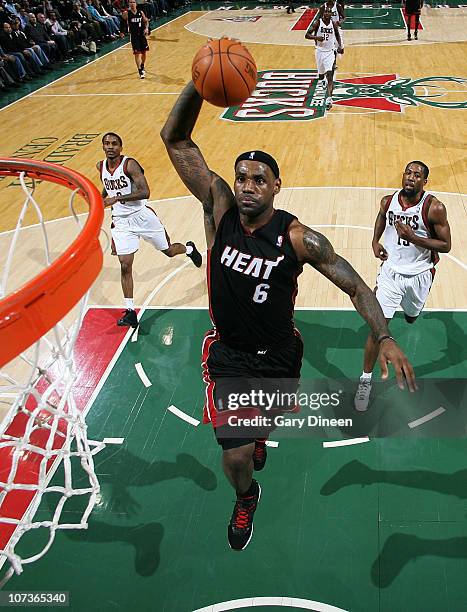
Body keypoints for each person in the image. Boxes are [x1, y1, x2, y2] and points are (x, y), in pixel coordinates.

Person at [160, 78, 416, 551]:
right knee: (236, 455)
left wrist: (383, 336)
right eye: (242, 177)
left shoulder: (299, 239)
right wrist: (199, 85)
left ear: (277, 186)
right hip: (231, 357)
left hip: (280, 354)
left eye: (259, 179)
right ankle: (246, 495)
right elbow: (176, 140)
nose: (247, 186)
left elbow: (356, 284)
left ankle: (259, 430)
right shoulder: (218, 209)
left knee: (268, 419)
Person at [354, 161, 451, 412]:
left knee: (411, 317)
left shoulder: (434, 208)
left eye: (417, 175)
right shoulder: (388, 201)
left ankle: (410, 312)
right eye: (408, 172)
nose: (410, 177)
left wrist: (414, 237)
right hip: (390, 273)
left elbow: (446, 245)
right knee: (378, 327)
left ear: (424, 182)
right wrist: (375, 241)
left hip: (419, 275)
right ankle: (365, 380)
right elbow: (381, 218)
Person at [97, 132, 202, 328]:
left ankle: (189, 249)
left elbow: (144, 192)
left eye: (114, 144)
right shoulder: (101, 167)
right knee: (125, 265)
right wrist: (100, 198)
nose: (110, 147)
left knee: (169, 251)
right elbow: (107, 188)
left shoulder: (130, 165)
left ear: (121, 147)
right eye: (107, 144)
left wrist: (117, 199)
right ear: (103, 147)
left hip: (143, 217)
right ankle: (130, 311)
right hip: (121, 222)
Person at [305, 8, 343, 111]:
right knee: (321, 76)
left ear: (331, 14)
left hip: (330, 52)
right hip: (319, 51)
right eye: (325, 11)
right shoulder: (318, 22)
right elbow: (307, 35)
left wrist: (339, 46)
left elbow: (338, 35)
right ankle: (322, 81)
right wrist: (316, 38)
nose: (327, 13)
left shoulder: (333, 24)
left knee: (330, 74)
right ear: (323, 13)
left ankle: (329, 99)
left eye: (329, 12)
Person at [123, 0, 148, 79]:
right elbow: (122, 22)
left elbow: (146, 21)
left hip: (141, 35)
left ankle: (142, 65)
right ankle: (140, 70)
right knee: (137, 53)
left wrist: (146, 28)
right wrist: (122, 31)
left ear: (136, 4)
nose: (132, 4)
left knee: (144, 53)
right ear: (129, 4)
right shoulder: (127, 13)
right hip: (134, 36)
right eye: (130, 2)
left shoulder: (141, 12)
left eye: (133, 2)